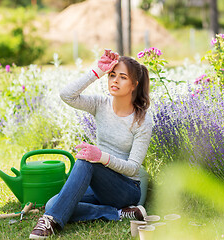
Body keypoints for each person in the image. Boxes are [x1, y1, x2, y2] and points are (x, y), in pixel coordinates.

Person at [29, 49, 153, 239]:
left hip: (126, 189)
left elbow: (133, 167)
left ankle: (49, 222)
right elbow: (67, 95)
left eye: (122, 77)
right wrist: (97, 71)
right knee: (54, 204)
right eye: (112, 75)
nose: (115, 81)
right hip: (99, 185)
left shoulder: (142, 120)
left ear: (134, 85)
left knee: (87, 160)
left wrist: (100, 157)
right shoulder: (100, 104)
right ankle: (119, 213)